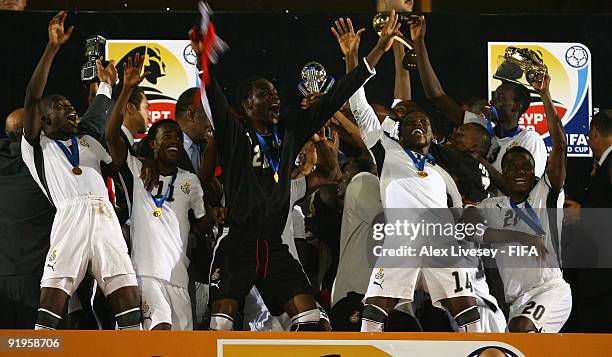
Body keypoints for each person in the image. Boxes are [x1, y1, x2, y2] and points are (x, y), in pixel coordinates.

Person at [193, 12, 398, 331]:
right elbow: (212, 96)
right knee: (220, 323)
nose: (275, 98)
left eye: (276, 94)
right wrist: (202, 60)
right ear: (247, 104)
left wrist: (376, 52)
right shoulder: (234, 134)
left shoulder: (289, 133)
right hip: (237, 244)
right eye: (265, 95)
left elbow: (334, 97)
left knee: (312, 319)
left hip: (274, 247)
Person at [339, 18, 481, 333]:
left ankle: (480, 349)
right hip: (400, 241)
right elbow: (358, 103)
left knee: (468, 311)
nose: (416, 124)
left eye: (423, 122)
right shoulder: (386, 151)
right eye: (409, 122)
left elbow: (461, 208)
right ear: (398, 132)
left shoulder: (441, 171)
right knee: (376, 308)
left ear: (433, 134)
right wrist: (358, 55)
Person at [20, 12, 141, 330]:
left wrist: (111, 85)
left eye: (70, 105)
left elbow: (101, 110)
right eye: (59, 107)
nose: (69, 108)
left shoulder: (89, 141)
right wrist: (52, 48)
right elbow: (33, 97)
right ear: (44, 121)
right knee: (52, 302)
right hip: (70, 218)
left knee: (128, 298)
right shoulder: (37, 146)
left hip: (106, 219)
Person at [106, 54, 220, 330]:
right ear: (153, 146)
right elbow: (111, 136)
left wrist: (215, 216)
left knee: (181, 345)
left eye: (178, 138)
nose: (174, 141)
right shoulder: (137, 170)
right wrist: (127, 90)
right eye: (166, 137)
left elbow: (201, 224)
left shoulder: (190, 180)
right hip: (147, 274)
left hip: (179, 278)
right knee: (160, 333)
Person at [472, 74, 572, 332]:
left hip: (550, 289)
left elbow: (559, 147)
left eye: (525, 166)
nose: (519, 171)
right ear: (501, 173)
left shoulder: (545, 194)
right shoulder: (492, 206)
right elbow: (467, 228)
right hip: (516, 300)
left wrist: (545, 94)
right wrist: (519, 237)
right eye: (511, 166)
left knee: (520, 327)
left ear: (534, 171)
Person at [411, 15, 547, 184]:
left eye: (500, 98)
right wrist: (419, 42)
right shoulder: (482, 129)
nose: (492, 102)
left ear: (516, 106)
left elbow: (524, 189)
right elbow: (436, 95)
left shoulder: (529, 139)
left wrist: (480, 163)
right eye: (494, 96)